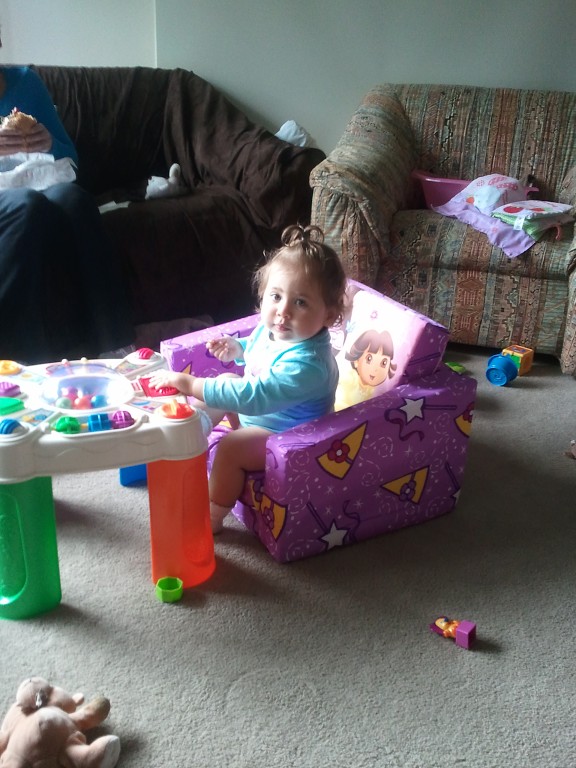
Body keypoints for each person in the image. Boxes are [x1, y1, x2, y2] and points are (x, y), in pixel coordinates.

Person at [149, 224, 348, 533]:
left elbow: (254, 394)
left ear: (329, 315)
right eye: (276, 296)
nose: (283, 311)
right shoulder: (277, 331)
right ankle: (189, 437)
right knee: (220, 385)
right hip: (259, 416)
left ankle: (212, 516)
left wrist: (188, 384)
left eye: (301, 302)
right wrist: (238, 349)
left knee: (231, 447)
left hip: (288, 438)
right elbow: (260, 355)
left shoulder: (309, 365)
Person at [0, 65, 134, 363]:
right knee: (27, 205)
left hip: (38, 180)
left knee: (74, 199)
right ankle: (20, 358)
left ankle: (115, 345)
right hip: (14, 199)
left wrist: (49, 142)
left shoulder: (26, 82)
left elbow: (68, 154)